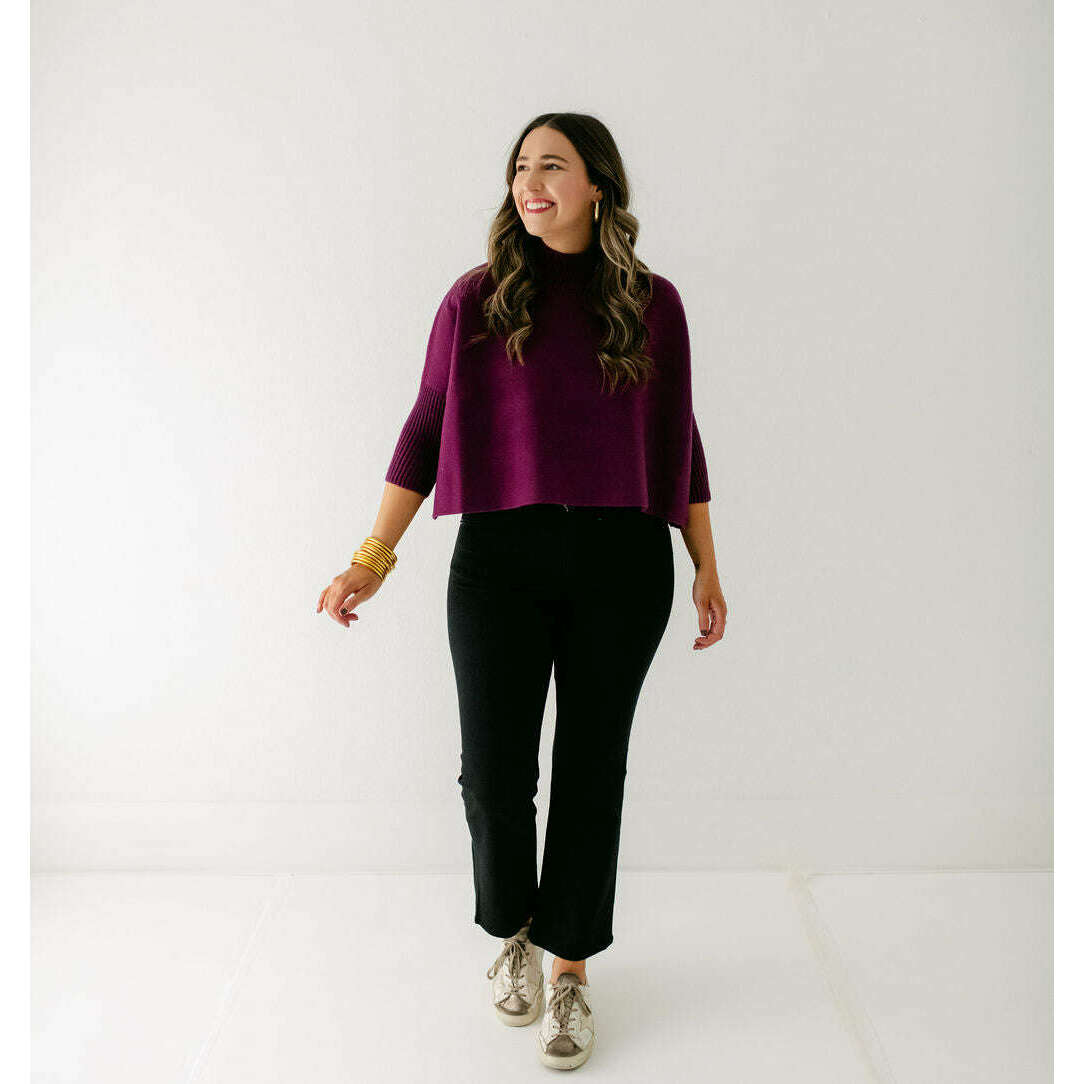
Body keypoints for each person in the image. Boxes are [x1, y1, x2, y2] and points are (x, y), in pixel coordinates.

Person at [317, 112, 727, 1071]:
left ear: (597, 186)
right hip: (499, 556)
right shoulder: (478, 298)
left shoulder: (653, 304)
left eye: (552, 166)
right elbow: (427, 424)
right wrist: (372, 558)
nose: (530, 184)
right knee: (494, 773)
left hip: (624, 559)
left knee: (592, 770)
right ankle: (513, 932)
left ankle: (571, 968)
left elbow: (679, 437)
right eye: (519, 168)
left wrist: (707, 562)